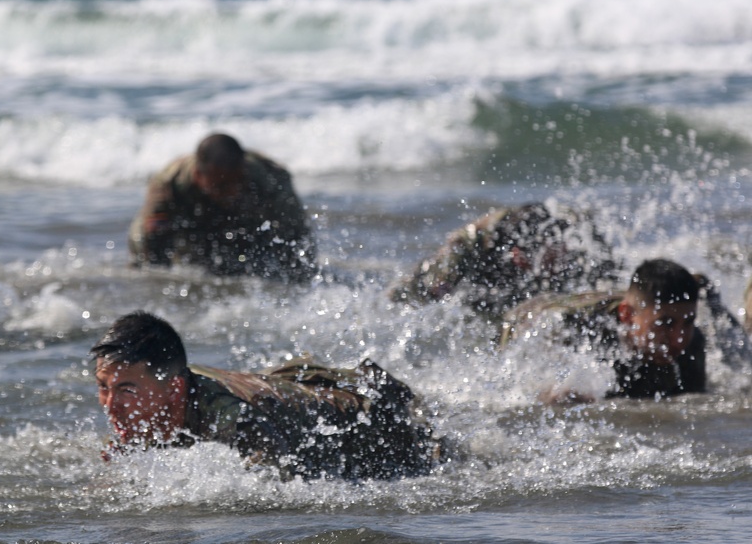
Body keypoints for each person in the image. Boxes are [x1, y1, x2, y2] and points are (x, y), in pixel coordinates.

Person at [90, 311, 449, 480]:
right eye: (103, 387)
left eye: (126, 390)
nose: (111, 406)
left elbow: (283, 489)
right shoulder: (140, 414)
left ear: (174, 388)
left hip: (382, 429)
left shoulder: (232, 417)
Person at [500, 258, 748, 402]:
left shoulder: (693, 342)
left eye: (688, 322)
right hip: (527, 318)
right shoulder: (577, 330)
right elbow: (523, 391)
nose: (679, 337)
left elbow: (692, 403)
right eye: (665, 324)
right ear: (627, 317)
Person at [128, 133, 317, 282]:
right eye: (221, 186)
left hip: (247, 231)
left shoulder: (269, 178)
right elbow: (151, 238)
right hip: (192, 230)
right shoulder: (170, 182)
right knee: (145, 239)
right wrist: (158, 279)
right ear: (197, 175)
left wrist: (300, 276)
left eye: (238, 183)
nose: (232, 193)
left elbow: (297, 232)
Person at [390, 202, 618, 316]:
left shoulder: (569, 236)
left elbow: (611, 274)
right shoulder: (463, 249)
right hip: (466, 265)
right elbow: (433, 298)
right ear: (519, 258)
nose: (559, 266)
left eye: (560, 256)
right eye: (550, 263)